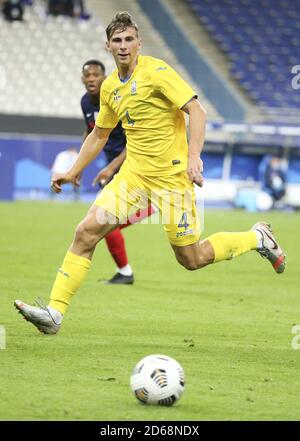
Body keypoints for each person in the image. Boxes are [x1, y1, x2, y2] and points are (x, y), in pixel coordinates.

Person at [15, 12, 286, 334]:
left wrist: (194, 156)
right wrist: (73, 171)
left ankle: (257, 237)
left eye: (129, 39)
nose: (124, 46)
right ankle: (54, 313)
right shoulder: (111, 86)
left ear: (139, 43)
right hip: (133, 177)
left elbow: (196, 110)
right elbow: (100, 134)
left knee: (191, 258)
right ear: (108, 46)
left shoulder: (158, 72)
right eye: (117, 41)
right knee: (86, 232)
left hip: (172, 180)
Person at [81, 58, 155, 284]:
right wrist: (78, 167)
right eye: (88, 75)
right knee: (104, 223)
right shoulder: (86, 102)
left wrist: (110, 167)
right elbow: (91, 132)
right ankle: (125, 273)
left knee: (103, 222)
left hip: (135, 167)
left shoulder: (117, 97)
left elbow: (134, 142)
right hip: (118, 172)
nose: (92, 79)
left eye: (96, 75)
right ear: (82, 79)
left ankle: (156, 204)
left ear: (105, 77)